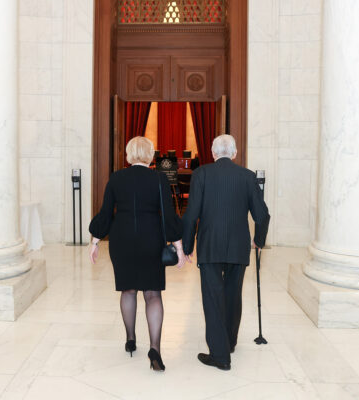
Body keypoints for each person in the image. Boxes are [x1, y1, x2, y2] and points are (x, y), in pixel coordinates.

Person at [89, 136, 186, 372]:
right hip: (151, 241)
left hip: (121, 242)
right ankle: (155, 349)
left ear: (129, 154)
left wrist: (95, 240)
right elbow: (169, 215)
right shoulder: (159, 178)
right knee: (152, 295)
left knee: (128, 289)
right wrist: (180, 248)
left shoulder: (116, 178)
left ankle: (130, 339)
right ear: (150, 155)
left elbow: (105, 213)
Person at [182, 134, 270, 371]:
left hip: (210, 244)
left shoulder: (202, 174)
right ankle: (229, 342)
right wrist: (258, 240)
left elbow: (191, 215)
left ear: (212, 153)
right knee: (233, 295)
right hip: (238, 245)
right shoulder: (247, 176)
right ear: (234, 153)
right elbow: (262, 215)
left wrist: (187, 246)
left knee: (212, 298)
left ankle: (220, 356)